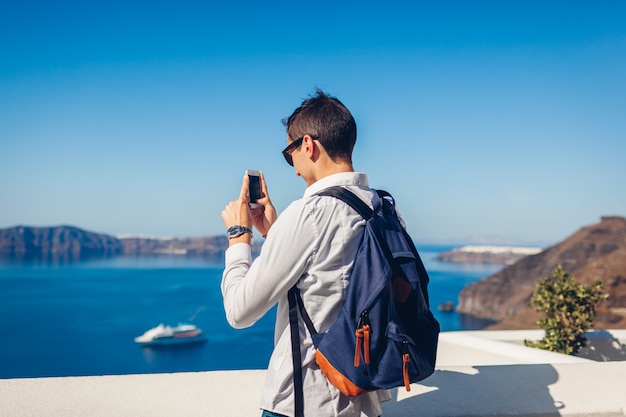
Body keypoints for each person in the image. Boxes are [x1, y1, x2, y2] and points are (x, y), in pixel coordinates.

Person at [221, 90, 391, 417]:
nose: (295, 169)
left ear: (308, 146)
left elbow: (239, 312)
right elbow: (331, 273)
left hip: (305, 403)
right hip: (365, 400)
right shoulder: (385, 210)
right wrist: (274, 233)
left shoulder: (307, 214)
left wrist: (238, 236)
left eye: (290, 154)